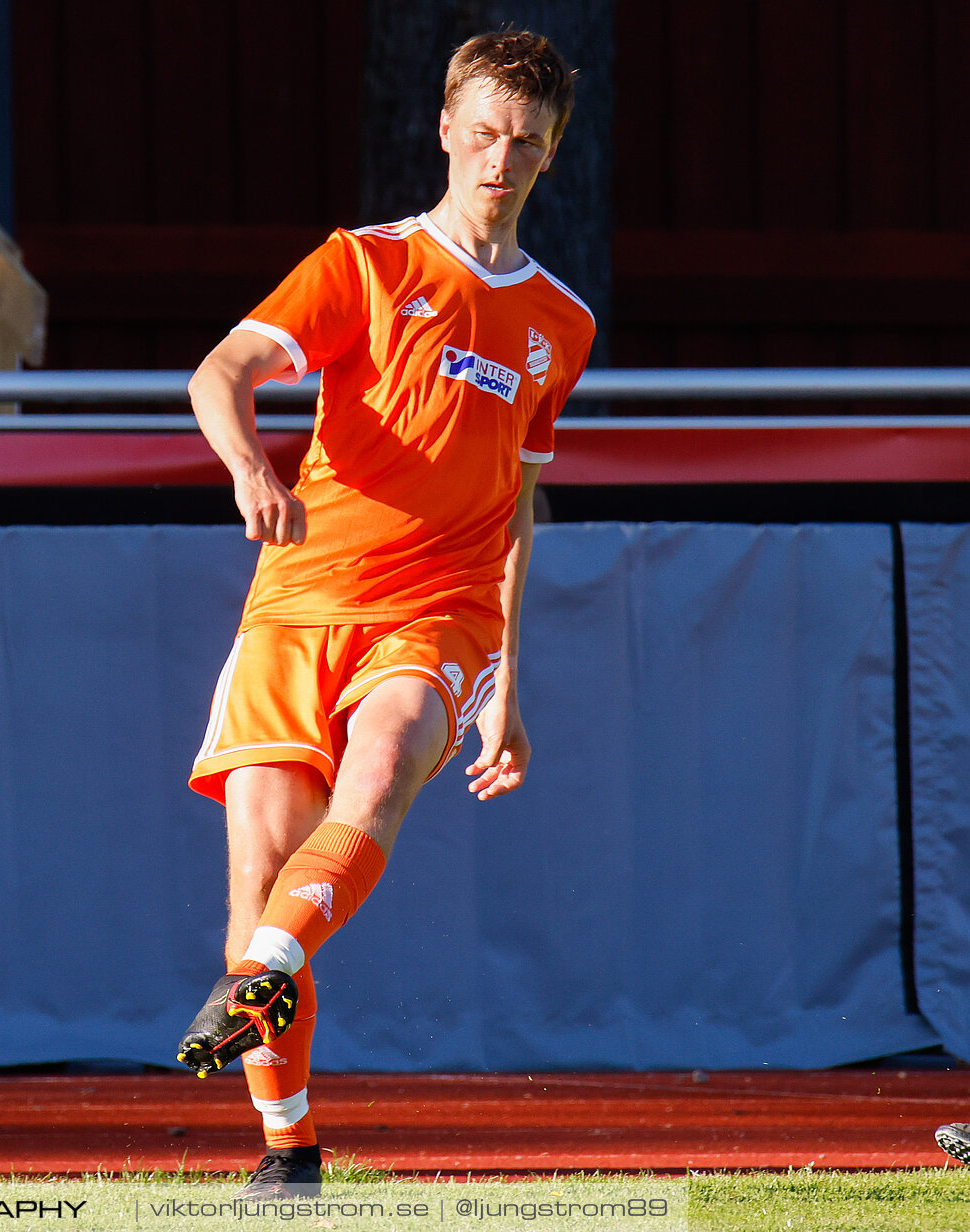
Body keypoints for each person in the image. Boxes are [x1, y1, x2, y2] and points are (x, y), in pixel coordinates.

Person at [177, 29, 596, 1199]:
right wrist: (252, 467)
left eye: (527, 140)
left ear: (551, 154)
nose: (500, 157)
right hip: (301, 599)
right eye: (485, 132)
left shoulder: (560, 323)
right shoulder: (362, 264)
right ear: (447, 130)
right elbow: (220, 370)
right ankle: (289, 1148)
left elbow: (517, 502)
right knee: (257, 894)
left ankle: (262, 964)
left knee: (381, 772)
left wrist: (510, 677)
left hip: (441, 610)